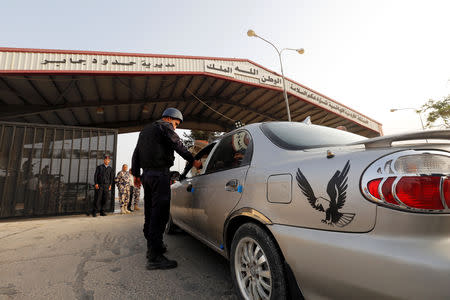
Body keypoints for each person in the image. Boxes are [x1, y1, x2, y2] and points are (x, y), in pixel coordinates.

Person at [131, 107, 202, 270]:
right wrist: (194, 160)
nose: (175, 127)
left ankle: (153, 247)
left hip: (146, 176)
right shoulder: (165, 127)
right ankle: (155, 258)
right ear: (169, 118)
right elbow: (177, 144)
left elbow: (136, 153)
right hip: (159, 175)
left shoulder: (146, 130)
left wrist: (136, 174)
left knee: (150, 212)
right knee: (160, 214)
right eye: (176, 123)